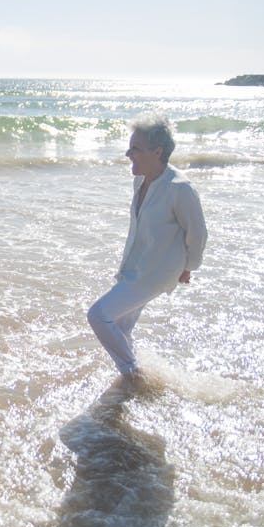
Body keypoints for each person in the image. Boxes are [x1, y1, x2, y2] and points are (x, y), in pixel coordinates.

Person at [87, 114, 207, 375]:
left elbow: (197, 233)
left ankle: (132, 374)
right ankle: (133, 375)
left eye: (136, 149)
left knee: (98, 315)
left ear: (157, 151)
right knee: (120, 328)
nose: (128, 153)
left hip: (154, 274)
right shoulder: (140, 180)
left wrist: (189, 267)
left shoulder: (179, 188)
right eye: (129, 147)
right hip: (135, 266)